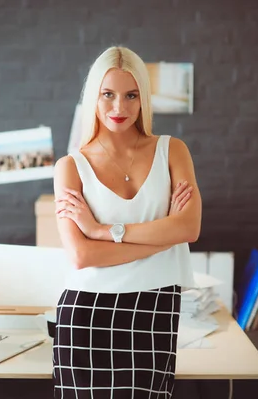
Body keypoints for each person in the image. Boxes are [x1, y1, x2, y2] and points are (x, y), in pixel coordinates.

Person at [52, 46, 202, 399]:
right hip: (86, 316)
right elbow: (82, 256)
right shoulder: (70, 166)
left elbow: (190, 228)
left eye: (131, 95)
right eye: (108, 95)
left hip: (155, 308)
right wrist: (165, 234)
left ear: (143, 98)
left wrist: (105, 232)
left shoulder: (172, 150)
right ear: (94, 97)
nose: (119, 107)